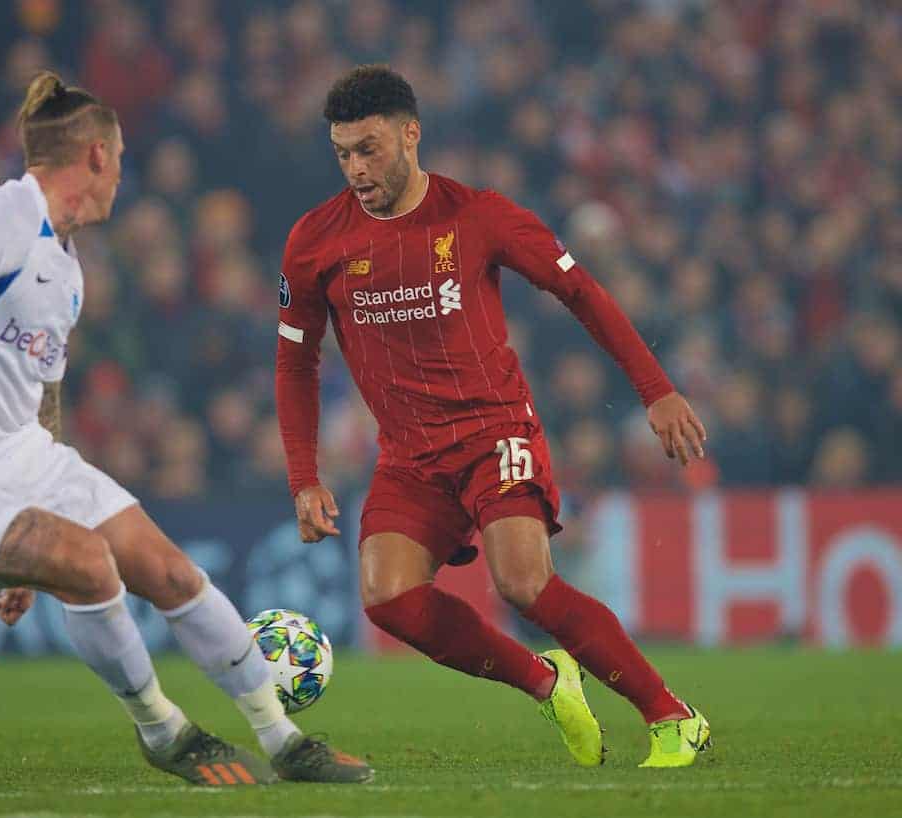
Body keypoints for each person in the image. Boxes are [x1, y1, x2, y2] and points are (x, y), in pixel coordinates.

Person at [0, 71, 370, 786]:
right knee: (90, 564)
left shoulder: (67, 268)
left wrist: (35, 512)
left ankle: (284, 740)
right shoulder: (0, 217)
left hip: (22, 459)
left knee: (170, 571)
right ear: (96, 155)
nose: (123, 174)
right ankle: (164, 730)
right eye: (121, 158)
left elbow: (43, 392)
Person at [276, 65, 710, 769]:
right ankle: (545, 680)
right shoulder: (314, 241)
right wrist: (304, 477)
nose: (356, 168)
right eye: (343, 153)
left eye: (370, 148)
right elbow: (295, 361)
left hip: (494, 430)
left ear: (411, 135)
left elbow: (582, 293)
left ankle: (672, 716)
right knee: (387, 597)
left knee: (523, 583)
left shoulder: (476, 214)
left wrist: (654, 389)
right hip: (409, 456)